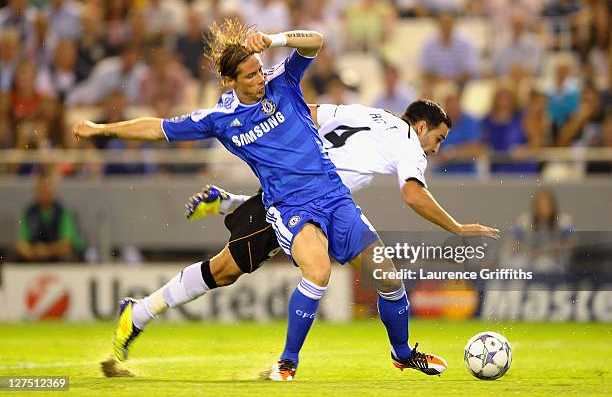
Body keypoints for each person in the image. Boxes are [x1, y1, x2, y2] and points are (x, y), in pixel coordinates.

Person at [74, 20, 495, 381]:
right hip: (288, 206)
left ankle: (402, 354)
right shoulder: (219, 120)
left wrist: (273, 39)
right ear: (230, 82)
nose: (260, 79)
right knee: (280, 269)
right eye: (252, 75)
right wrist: (101, 129)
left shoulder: (282, 83)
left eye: (261, 72)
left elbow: (315, 42)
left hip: (332, 197)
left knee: (376, 273)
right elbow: (157, 127)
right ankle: (283, 363)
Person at [16, 173, 85, 262]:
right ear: (36, 191)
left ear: (54, 191)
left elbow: (66, 245)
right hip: (35, 258)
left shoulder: (64, 212)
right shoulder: (29, 213)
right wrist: (32, 252)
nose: (45, 191)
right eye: (41, 188)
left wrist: (46, 250)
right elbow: (21, 244)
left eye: (48, 187)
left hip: (59, 259)